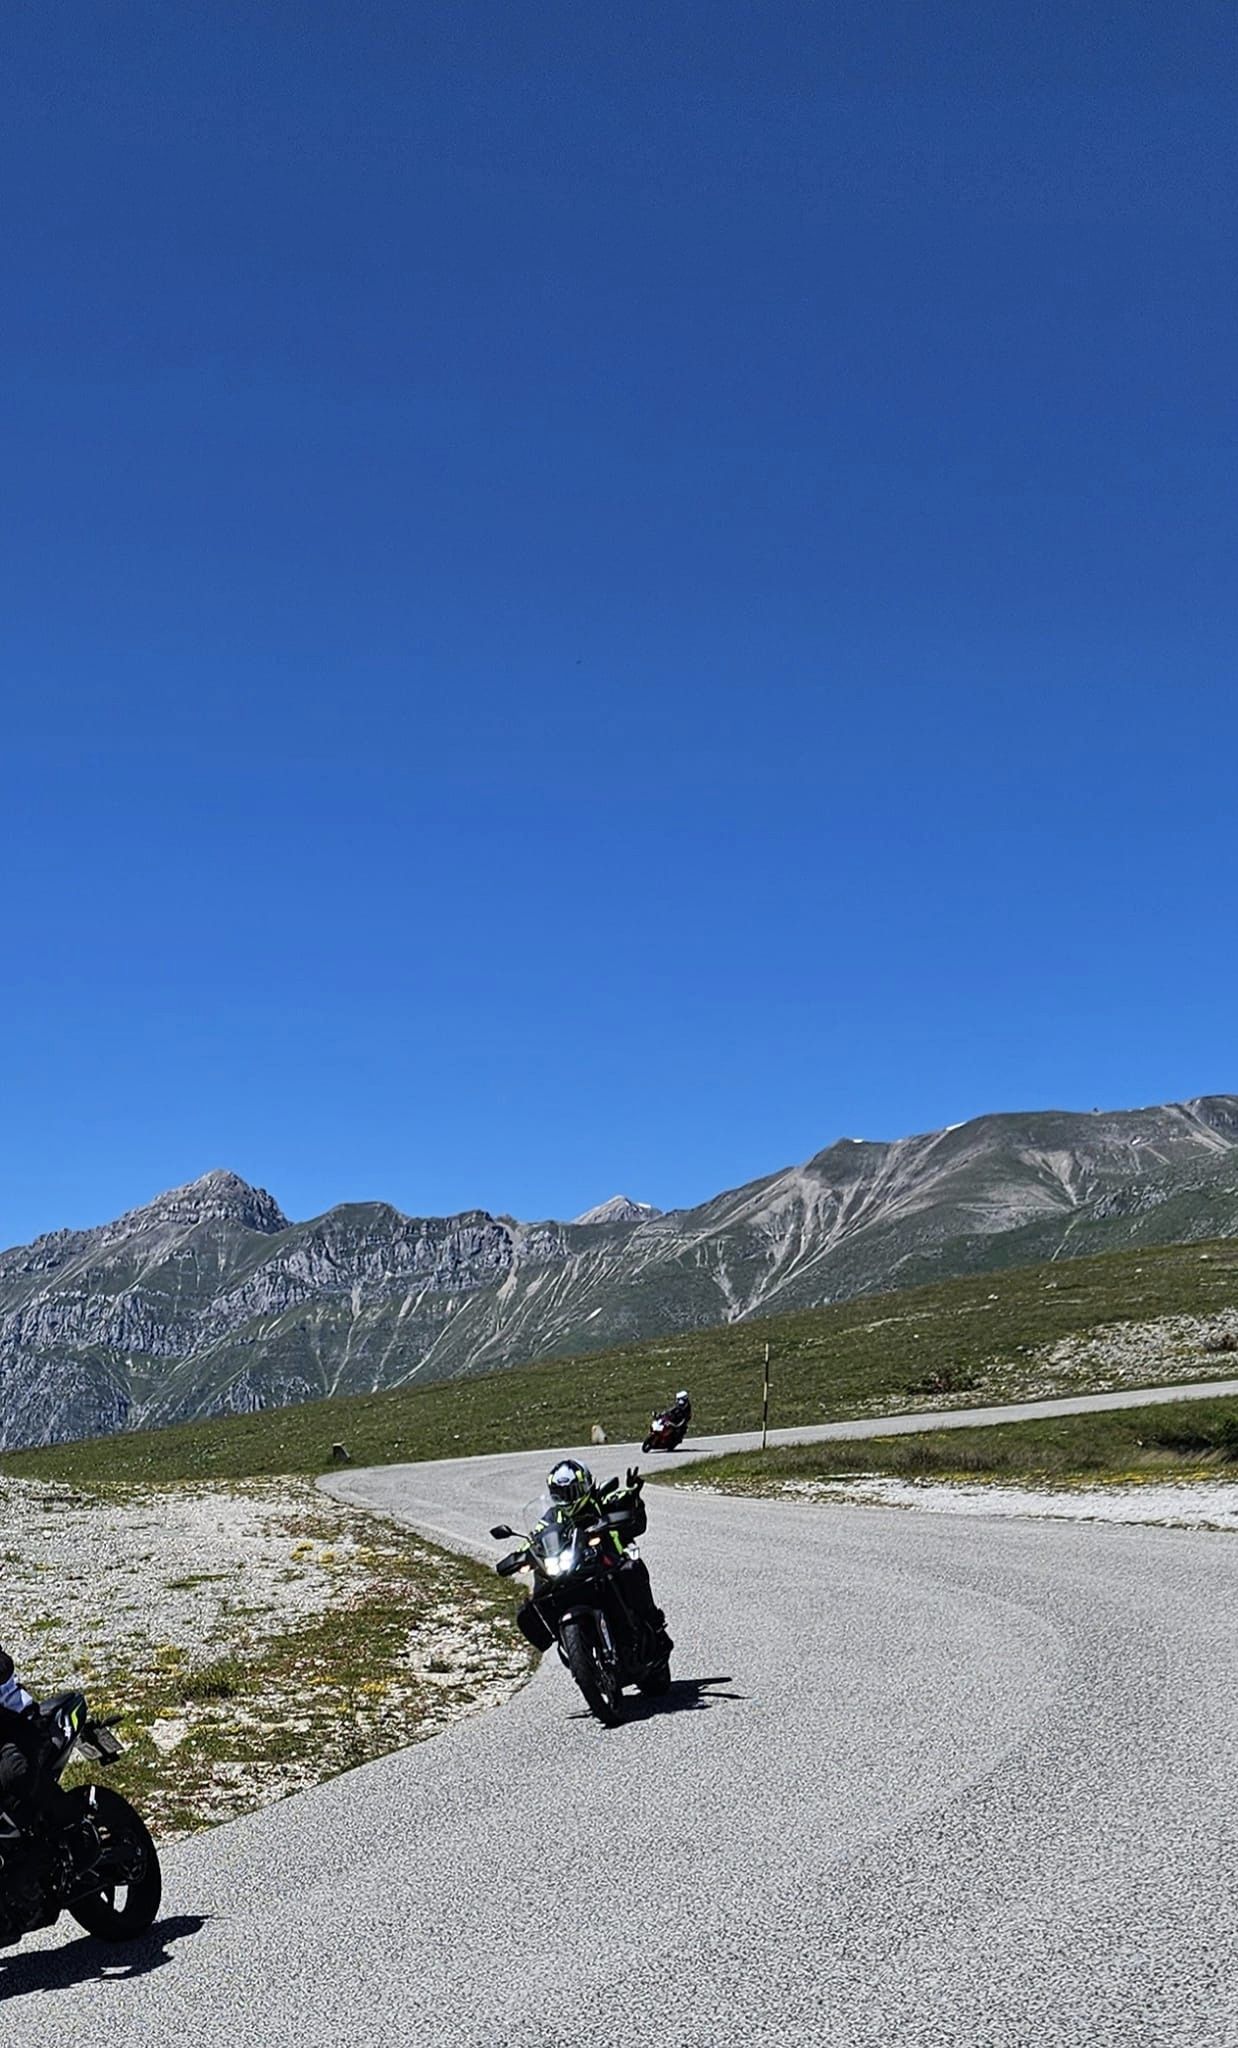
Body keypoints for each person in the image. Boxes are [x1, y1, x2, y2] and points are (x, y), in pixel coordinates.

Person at [515, 1459, 671, 1659]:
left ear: (585, 1486)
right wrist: (520, 1555)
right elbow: (534, 1538)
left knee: (631, 1569)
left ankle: (654, 1623)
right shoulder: (552, 1516)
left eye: (571, 1492)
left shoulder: (599, 1502)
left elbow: (628, 1510)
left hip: (605, 1563)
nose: (566, 1498)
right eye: (560, 1493)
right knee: (536, 1596)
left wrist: (633, 1498)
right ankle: (564, 1641)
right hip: (570, 1572)